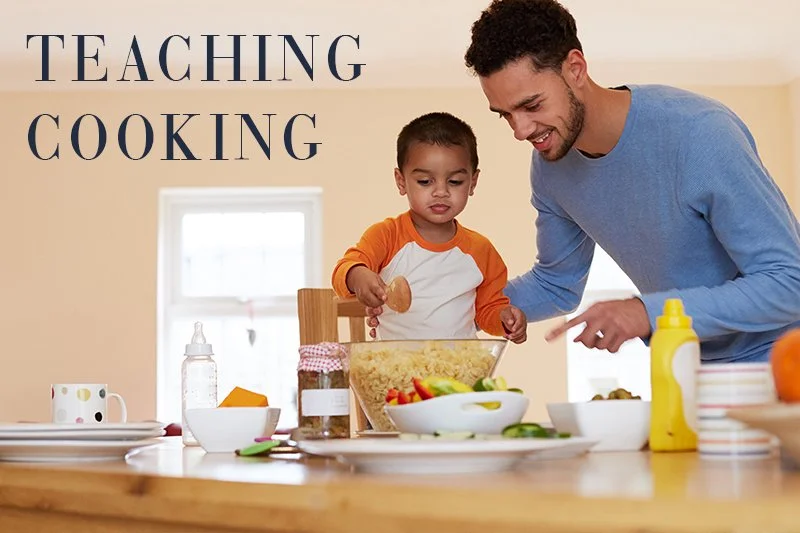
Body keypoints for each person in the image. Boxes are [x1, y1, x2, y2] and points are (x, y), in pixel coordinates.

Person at [461, 0, 800, 362]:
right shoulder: (550, 167)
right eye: (505, 115)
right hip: (687, 368)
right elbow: (556, 283)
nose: (520, 131)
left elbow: (789, 282)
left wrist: (646, 312)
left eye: (532, 105)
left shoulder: (699, 134)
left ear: (575, 68)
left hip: (781, 363)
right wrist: (450, 306)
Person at [331, 112, 527, 343]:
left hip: (460, 373)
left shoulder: (480, 250)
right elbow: (343, 270)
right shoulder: (387, 235)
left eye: (455, 182)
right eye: (425, 181)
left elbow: (487, 310)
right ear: (401, 181)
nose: (441, 192)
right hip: (397, 371)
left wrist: (505, 318)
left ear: (473, 182)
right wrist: (357, 275)